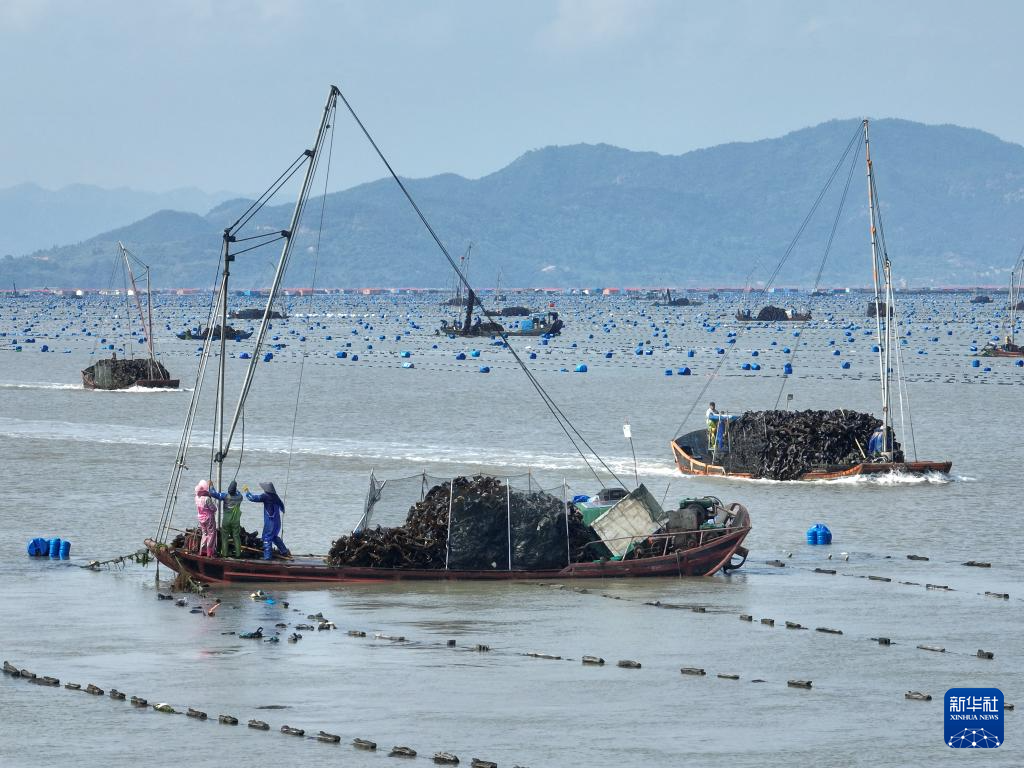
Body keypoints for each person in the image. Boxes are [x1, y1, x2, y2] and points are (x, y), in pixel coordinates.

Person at [245, 481, 290, 561]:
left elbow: (252, 498)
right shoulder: (276, 497)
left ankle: (267, 557)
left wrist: (247, 492)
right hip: (277, 523)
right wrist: (282, 510)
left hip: (270, 522)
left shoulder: (265, 496)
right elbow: (282, 507)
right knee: (274, 537)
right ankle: (284, 551)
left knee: (267, 538)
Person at [210, 480, 244, 558]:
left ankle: (225, 554)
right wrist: (236, 488)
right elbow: (239, 493)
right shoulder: (240, 497)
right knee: (236, 536)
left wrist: (211, 486)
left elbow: (213, 494)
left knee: (224, 537)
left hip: (226, 520)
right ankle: (238, 554)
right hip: (236, 520)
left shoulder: (225, 496)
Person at [194, 480, 218, 558]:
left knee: (204, 534)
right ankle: (209, 552)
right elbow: (213, 509)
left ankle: (202, 551)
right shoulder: (207, 499)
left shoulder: (196, 498)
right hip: (209, 518)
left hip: (201, 519)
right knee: (211, 535)